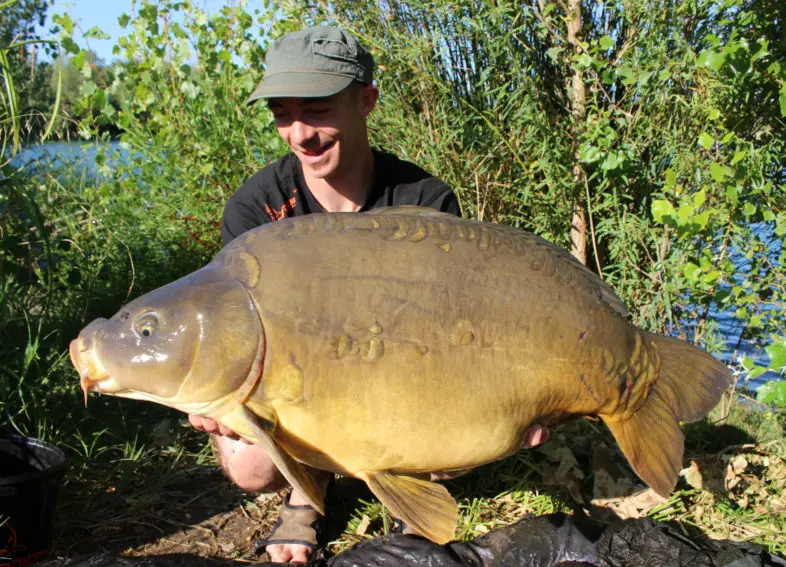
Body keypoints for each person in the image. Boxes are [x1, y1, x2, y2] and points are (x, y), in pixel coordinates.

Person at [188, 26, 548, 564]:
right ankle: (307, 492)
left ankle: (409, 484)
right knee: (249, 465)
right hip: (305, 377)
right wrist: (218, 395)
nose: (299, 133)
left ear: (366, 101)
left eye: (317, 109)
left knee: (460, 431)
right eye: (282, 114)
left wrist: (521, 395)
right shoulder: (257, 210)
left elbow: (451, 331)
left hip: (398, 369)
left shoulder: (423, 199)